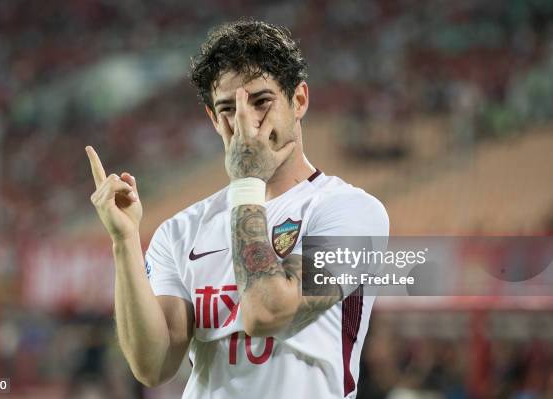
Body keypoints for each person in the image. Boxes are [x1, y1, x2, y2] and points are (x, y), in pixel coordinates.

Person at [86, 19, 389, 399]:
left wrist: (247, 182)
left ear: (299, 100)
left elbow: (267, 313)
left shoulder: (353, 213)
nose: (245, 122)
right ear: (214, 120)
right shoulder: (181, 231)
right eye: (227, 108)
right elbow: (152, 366)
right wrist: (124, 241)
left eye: (261, 101)